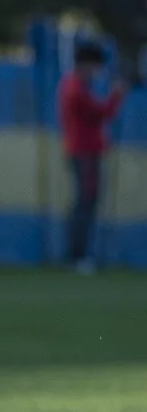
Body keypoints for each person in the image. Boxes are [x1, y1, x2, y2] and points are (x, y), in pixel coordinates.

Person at [58, 40, 134, 273]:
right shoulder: (75, 88)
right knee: (85, 202)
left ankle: (78, 254)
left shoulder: (72, 85)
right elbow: (102, 113)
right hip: (85, 152)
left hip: (83, 151)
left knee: (85, 202)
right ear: (86, 64)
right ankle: (78, 255)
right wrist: (116, 96)